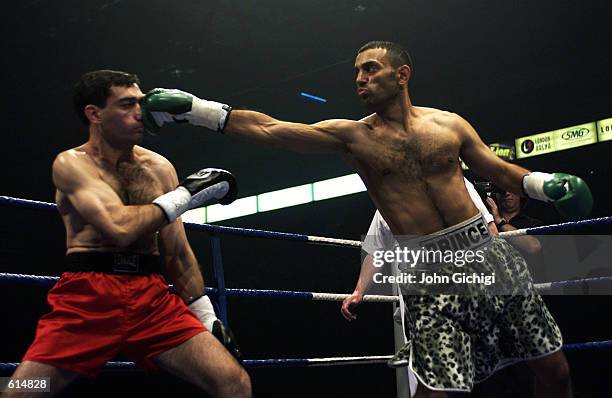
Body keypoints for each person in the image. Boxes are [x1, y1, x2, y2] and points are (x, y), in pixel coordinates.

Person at [139, 41, 593, 397]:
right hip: (428, 271)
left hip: (486, 253)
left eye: (370, 68)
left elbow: (497, 169)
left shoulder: (450, 124)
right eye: (356, 71)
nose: (360, 78)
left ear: (402, 75)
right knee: (438, 389)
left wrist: (543, 183)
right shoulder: (354, 137)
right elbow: (270, 129)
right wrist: (197, 110)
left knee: (552, 367)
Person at [4, 70, 251, 398]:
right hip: (89, 296)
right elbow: (118, 228)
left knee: (234, 383)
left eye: (141, 101)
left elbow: (176, 251)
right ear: (95, 114)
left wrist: (206, 316)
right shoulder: (72, 164)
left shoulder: (159, 167)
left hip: (151, 297)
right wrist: (190, 193)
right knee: (22, 390)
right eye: (127, 105)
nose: (141, 112)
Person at [341, 177, 497, 398]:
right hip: (416, 306)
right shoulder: (388, 197)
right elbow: (376, 250)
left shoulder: (453, 181)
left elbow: (489, 230)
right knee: (425, 377)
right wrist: (359, 292)